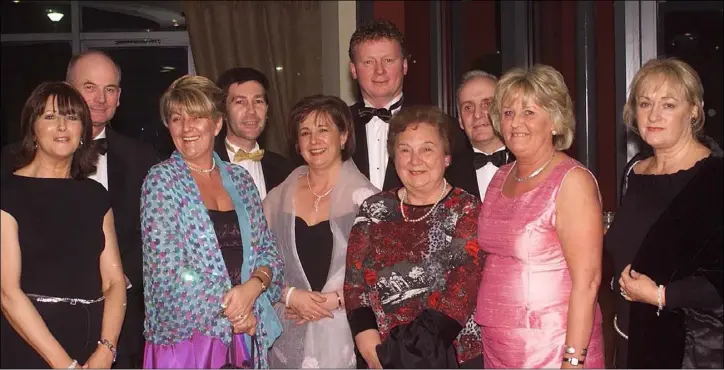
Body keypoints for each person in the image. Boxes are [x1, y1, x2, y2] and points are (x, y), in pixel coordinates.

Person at [1, 50, 158, 368]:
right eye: (50, 117)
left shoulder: (101, 190)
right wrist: (66, 365)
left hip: (103, 342)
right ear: (33, 126)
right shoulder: (7, 184)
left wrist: (106, 350)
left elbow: (119, 276)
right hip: (27, 346)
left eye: (71, 117)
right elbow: (7, 290)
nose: (62, 126)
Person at [141, 75, 283, 368]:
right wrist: (236, 312)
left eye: (197, 117)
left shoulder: (241, 180)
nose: (186, 128)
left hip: (246, 330)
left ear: (217, 124)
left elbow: (270, 254)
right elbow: (170, 275)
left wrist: (253, 288)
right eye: (177, 118)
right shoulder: (161, 181)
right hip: (189, 342)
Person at [475, 65, 605, 368]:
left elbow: (588, 280)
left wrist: (573, 360)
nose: (515, 123)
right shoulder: (500, 177)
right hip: (497, 345)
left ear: (555, 122)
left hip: (552, 345)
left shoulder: (572, 181)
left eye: (529, 113)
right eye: (508, 113)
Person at [344, 106, 484, 368]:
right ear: (394, 157)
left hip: (451, 357)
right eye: (405, 150)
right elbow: (354, 285)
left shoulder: (468, 209)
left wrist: (400, 358)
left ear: (446, 157)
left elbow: (459, 295)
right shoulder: (374, 209)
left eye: (427, 149)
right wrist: (372, 350)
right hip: (379, 357)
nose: (414, 160)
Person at [605, 57, 723, 368]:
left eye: (668, 104)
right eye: (645, 103)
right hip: (631, 340)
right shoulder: (635, 171)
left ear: (694, 111)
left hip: (692, 352)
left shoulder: (714, 176)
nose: (654, 114)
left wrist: (661, 295)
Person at [264, 95, 378, 368]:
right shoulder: (277, 198)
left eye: (323, 130)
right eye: (305, 133)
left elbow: (382, 275)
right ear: (297, 144)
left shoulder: (368, 200)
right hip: (287, 331)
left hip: (348, 334)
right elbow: (257, 261)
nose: (314, 140)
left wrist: (333, 300)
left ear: (343, 136)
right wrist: (289, 295)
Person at [215, 67, 295, 199]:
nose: (251, 111)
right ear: (223, 111)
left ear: (267, 110)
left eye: (258, 101)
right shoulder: (207, 167)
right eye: (240, 102)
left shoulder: (284, 170)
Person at [446, 70, 515, 199]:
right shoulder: (446, 174)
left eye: (487, 104)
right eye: (468, 107)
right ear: (460, 120)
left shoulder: (528, 164)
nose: (477, 114)